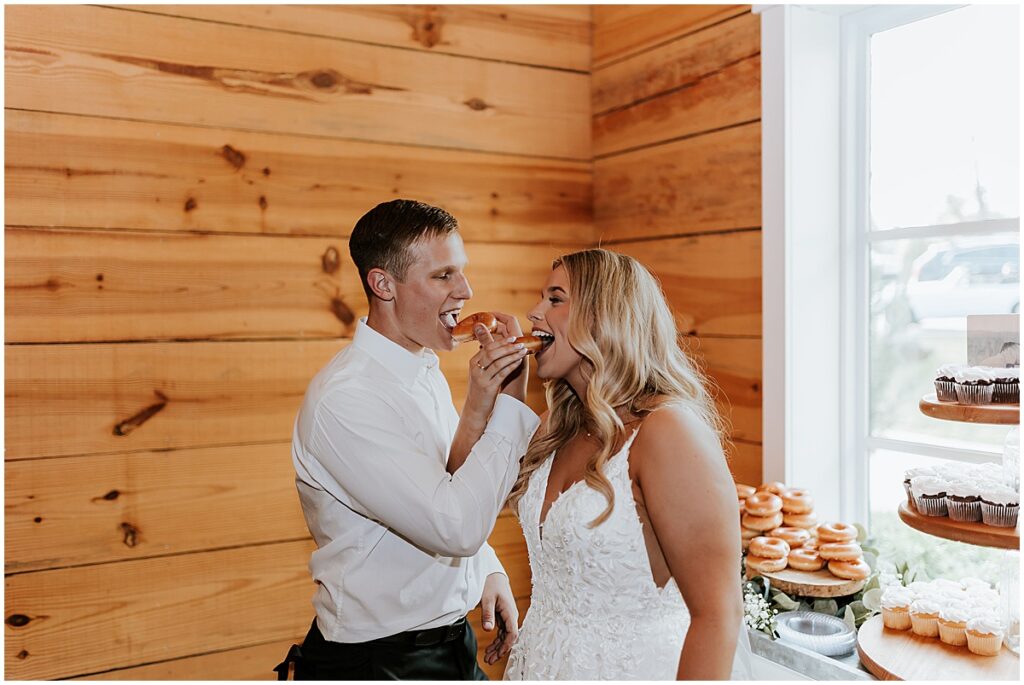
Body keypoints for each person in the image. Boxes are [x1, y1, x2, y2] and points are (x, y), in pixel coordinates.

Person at [286, 199, 540, 679]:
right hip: (379, 661)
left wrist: (487, 567)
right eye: (443, 276)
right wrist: (513, 406)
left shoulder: (422, 368)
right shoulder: (347, 399)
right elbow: (454, 526)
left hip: (452, 641)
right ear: (383, 284)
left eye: (461, 272)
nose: (465, 290)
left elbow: (441, 485)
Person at [502, 248, 752, 680]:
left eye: (555, 299)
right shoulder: (554, 427)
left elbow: (719, 615)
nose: (534, 313)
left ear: (603, 316)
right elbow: (460, 512)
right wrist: (495, 398)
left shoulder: (668, 432)